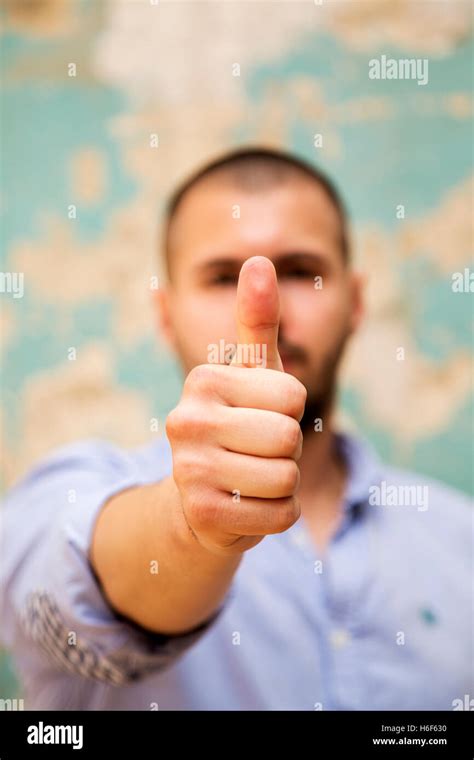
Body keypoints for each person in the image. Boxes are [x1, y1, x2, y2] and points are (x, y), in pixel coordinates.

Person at [1, 147, 471, 711]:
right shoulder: (67, 495)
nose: (267, 306)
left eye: (301, 272)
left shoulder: (459, 538)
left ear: (355, 303)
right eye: (223, 276)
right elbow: (77, 584)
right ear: (165, 315)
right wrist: (190, 525)